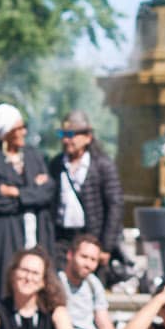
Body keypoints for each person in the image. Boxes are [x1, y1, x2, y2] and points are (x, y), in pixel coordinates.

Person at [0, 103, 54, 309]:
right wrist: (32, 190)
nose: (23, 132)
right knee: (4, 283)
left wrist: (17, 193)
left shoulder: (33, 156)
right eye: (18, 128)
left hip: (36, 231)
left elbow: (47, 191)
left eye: (24, 127)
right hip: (6, 234)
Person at [50, 111, 123, 270]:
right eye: (62, 134)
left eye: (71, 134)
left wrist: (106, 246)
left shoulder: (102, 166)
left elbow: (115, 206)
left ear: (87, 137)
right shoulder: (56, 165)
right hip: (62, 241)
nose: (66, 140)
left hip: (91, 240)